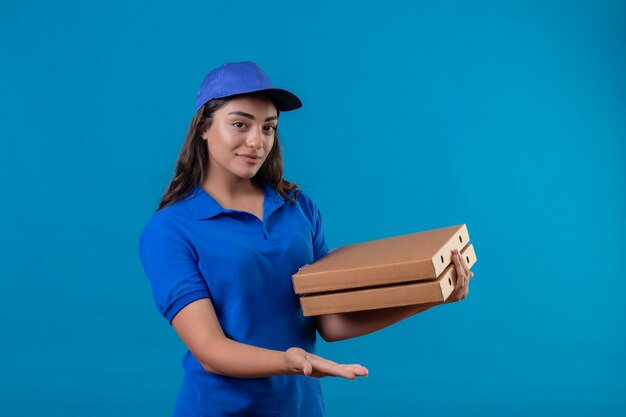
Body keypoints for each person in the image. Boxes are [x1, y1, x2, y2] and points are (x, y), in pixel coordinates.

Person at [138, 61, 473, 417]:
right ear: (204, 127)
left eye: (269, 127)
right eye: (240, 124)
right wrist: (289, 360)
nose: (256, 141)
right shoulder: (170, 230)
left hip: (300, 408)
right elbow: (208, 348)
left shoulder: (298, 209)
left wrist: (432, 293)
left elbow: (329, 322)